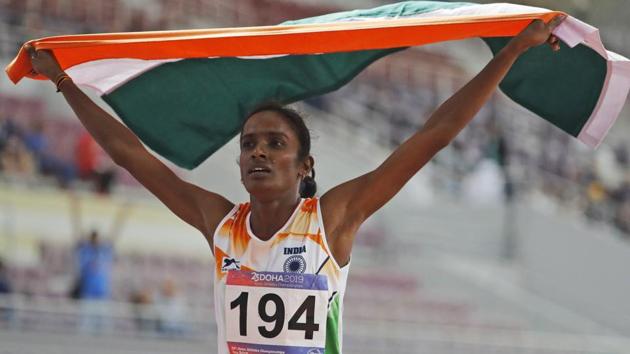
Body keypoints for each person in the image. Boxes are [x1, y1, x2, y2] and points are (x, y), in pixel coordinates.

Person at [26, 15, 565, 353]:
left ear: (305, 166)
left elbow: (433, 137)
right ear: (238, 165)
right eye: (248, 144)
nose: (257, 150)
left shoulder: (332, 220)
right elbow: (128, 154)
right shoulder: (220, 224)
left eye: (274, 144)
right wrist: (64, 81)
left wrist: (511, 52)